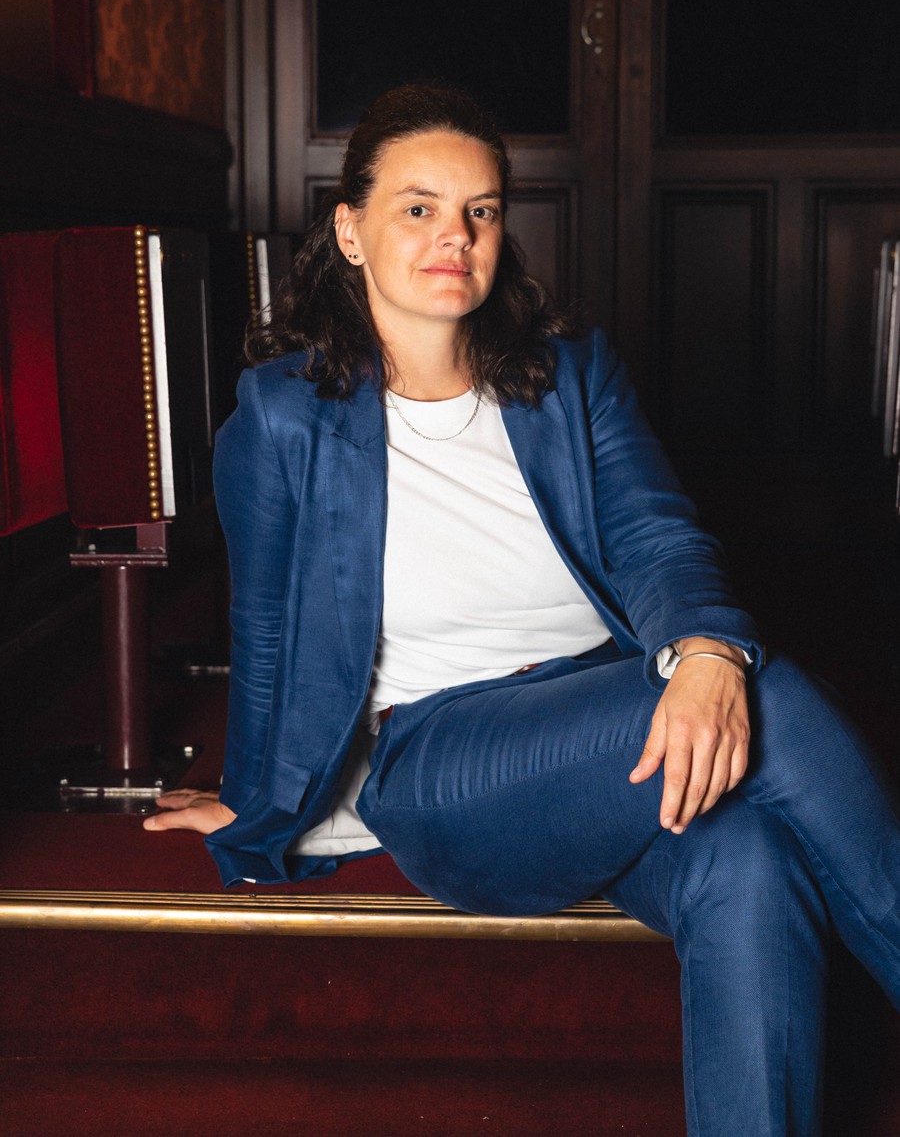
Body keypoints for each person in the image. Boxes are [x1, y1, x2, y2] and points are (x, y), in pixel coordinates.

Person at [145, 84, 900, 1136]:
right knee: (768, 700)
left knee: (751, 862)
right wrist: (257, 803)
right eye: (419, 208)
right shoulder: (283, 417)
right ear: (351, 232)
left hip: (607, 717)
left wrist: (705, 654)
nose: (454, 235)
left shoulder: (568, 374)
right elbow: (267, 633)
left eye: (481, 211)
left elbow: (659, 540)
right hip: (443, 759)